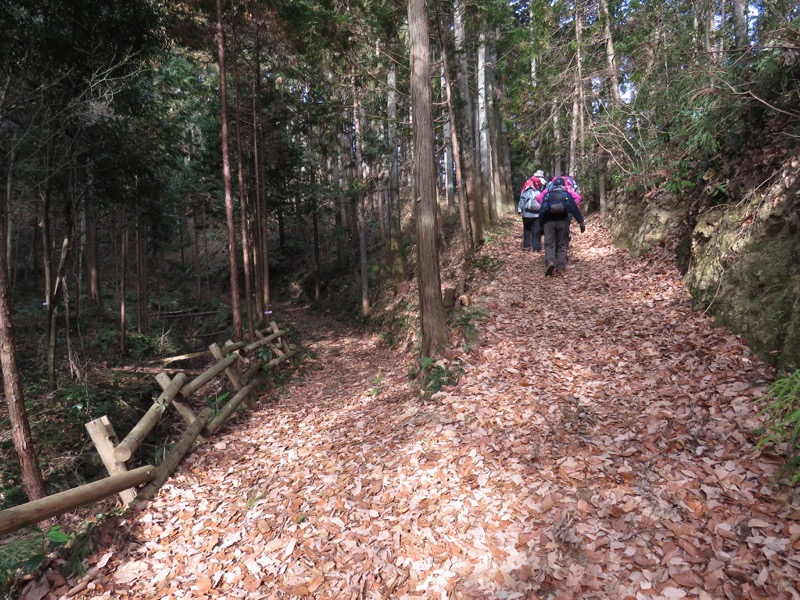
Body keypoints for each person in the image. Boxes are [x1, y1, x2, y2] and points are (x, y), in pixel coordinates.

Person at [539, 177, 586, 276]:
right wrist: (581, 222)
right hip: (563, 222)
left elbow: (542, 211)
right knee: (562, 244)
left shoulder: (547, 195)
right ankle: (560, 267)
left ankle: (550, 262)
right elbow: (574, 209)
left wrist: (540, 226)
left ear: (553, 185)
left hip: (548, 222)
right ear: (563, 185)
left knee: (549, 244)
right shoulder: (566, 194)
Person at [517, 170, 547, 251]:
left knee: (527, 229)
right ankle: (536, 247)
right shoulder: (542, 186)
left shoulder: (527, 186)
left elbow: (522, 199)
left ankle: (526, 246)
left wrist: (520, 209)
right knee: (536, 230)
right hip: (537, 213)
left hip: (526, 213)